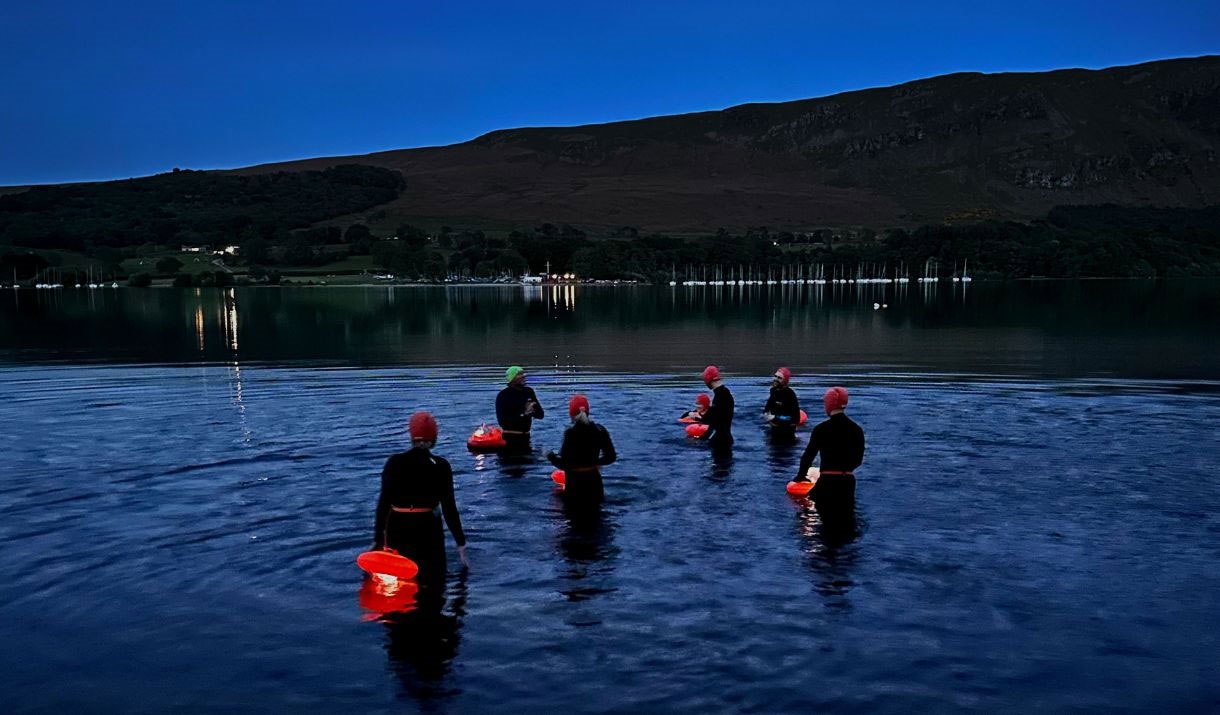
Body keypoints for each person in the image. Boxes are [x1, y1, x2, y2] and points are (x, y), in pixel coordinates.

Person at [373, 411, 469, 589]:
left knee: (399, 584)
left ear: (411, 435)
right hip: (428, 532)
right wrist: (461, 544)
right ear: (434, 437)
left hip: (398, 529)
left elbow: (383, 504)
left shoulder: (394, 462)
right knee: (433, 584)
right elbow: (449, 509)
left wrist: (378, 539)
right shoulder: (441, 466)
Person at [794, 387, 865, 509]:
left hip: (827, 481)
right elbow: (858, 460)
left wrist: (801, 476)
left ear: (829, 404)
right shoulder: (857, 430)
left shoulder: (821, 429)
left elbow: (808, 456)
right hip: (848, 483)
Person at [547, 394, 617, 504]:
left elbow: (565, 464)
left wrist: (550, 456)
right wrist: (594, 463)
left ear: (571, 414)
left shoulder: (570, 433)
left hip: (574, 485)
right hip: (594, 483)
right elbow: (611, 457)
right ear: (588, 411)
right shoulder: (600, 430)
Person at [495, 365, 545, 452]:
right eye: (519, 374)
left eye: (523, 373)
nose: (523, 375)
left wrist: (532, 411)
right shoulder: (503, 395)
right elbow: (503, 421)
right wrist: (524, 414)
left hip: (526, 438)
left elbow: (540, 415)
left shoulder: (528, 392)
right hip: (509, 439)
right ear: (512, 378)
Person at [700, 365, 734, 449]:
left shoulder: (720, 397)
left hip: (720, 441)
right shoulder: (724, 394)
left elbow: (715, 421)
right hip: (725, 437)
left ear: (708, 379)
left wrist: (702, 439)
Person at [763, 366, 801, 441]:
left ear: (785, 381)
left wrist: (775, 417)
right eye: (775, 376)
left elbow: (795, 418)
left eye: (779, 378)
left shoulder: (789, 394)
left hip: (787, 433)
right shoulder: (774, 391)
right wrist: (766, 414)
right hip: (773, 429)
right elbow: (767, 408)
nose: (776, 379)